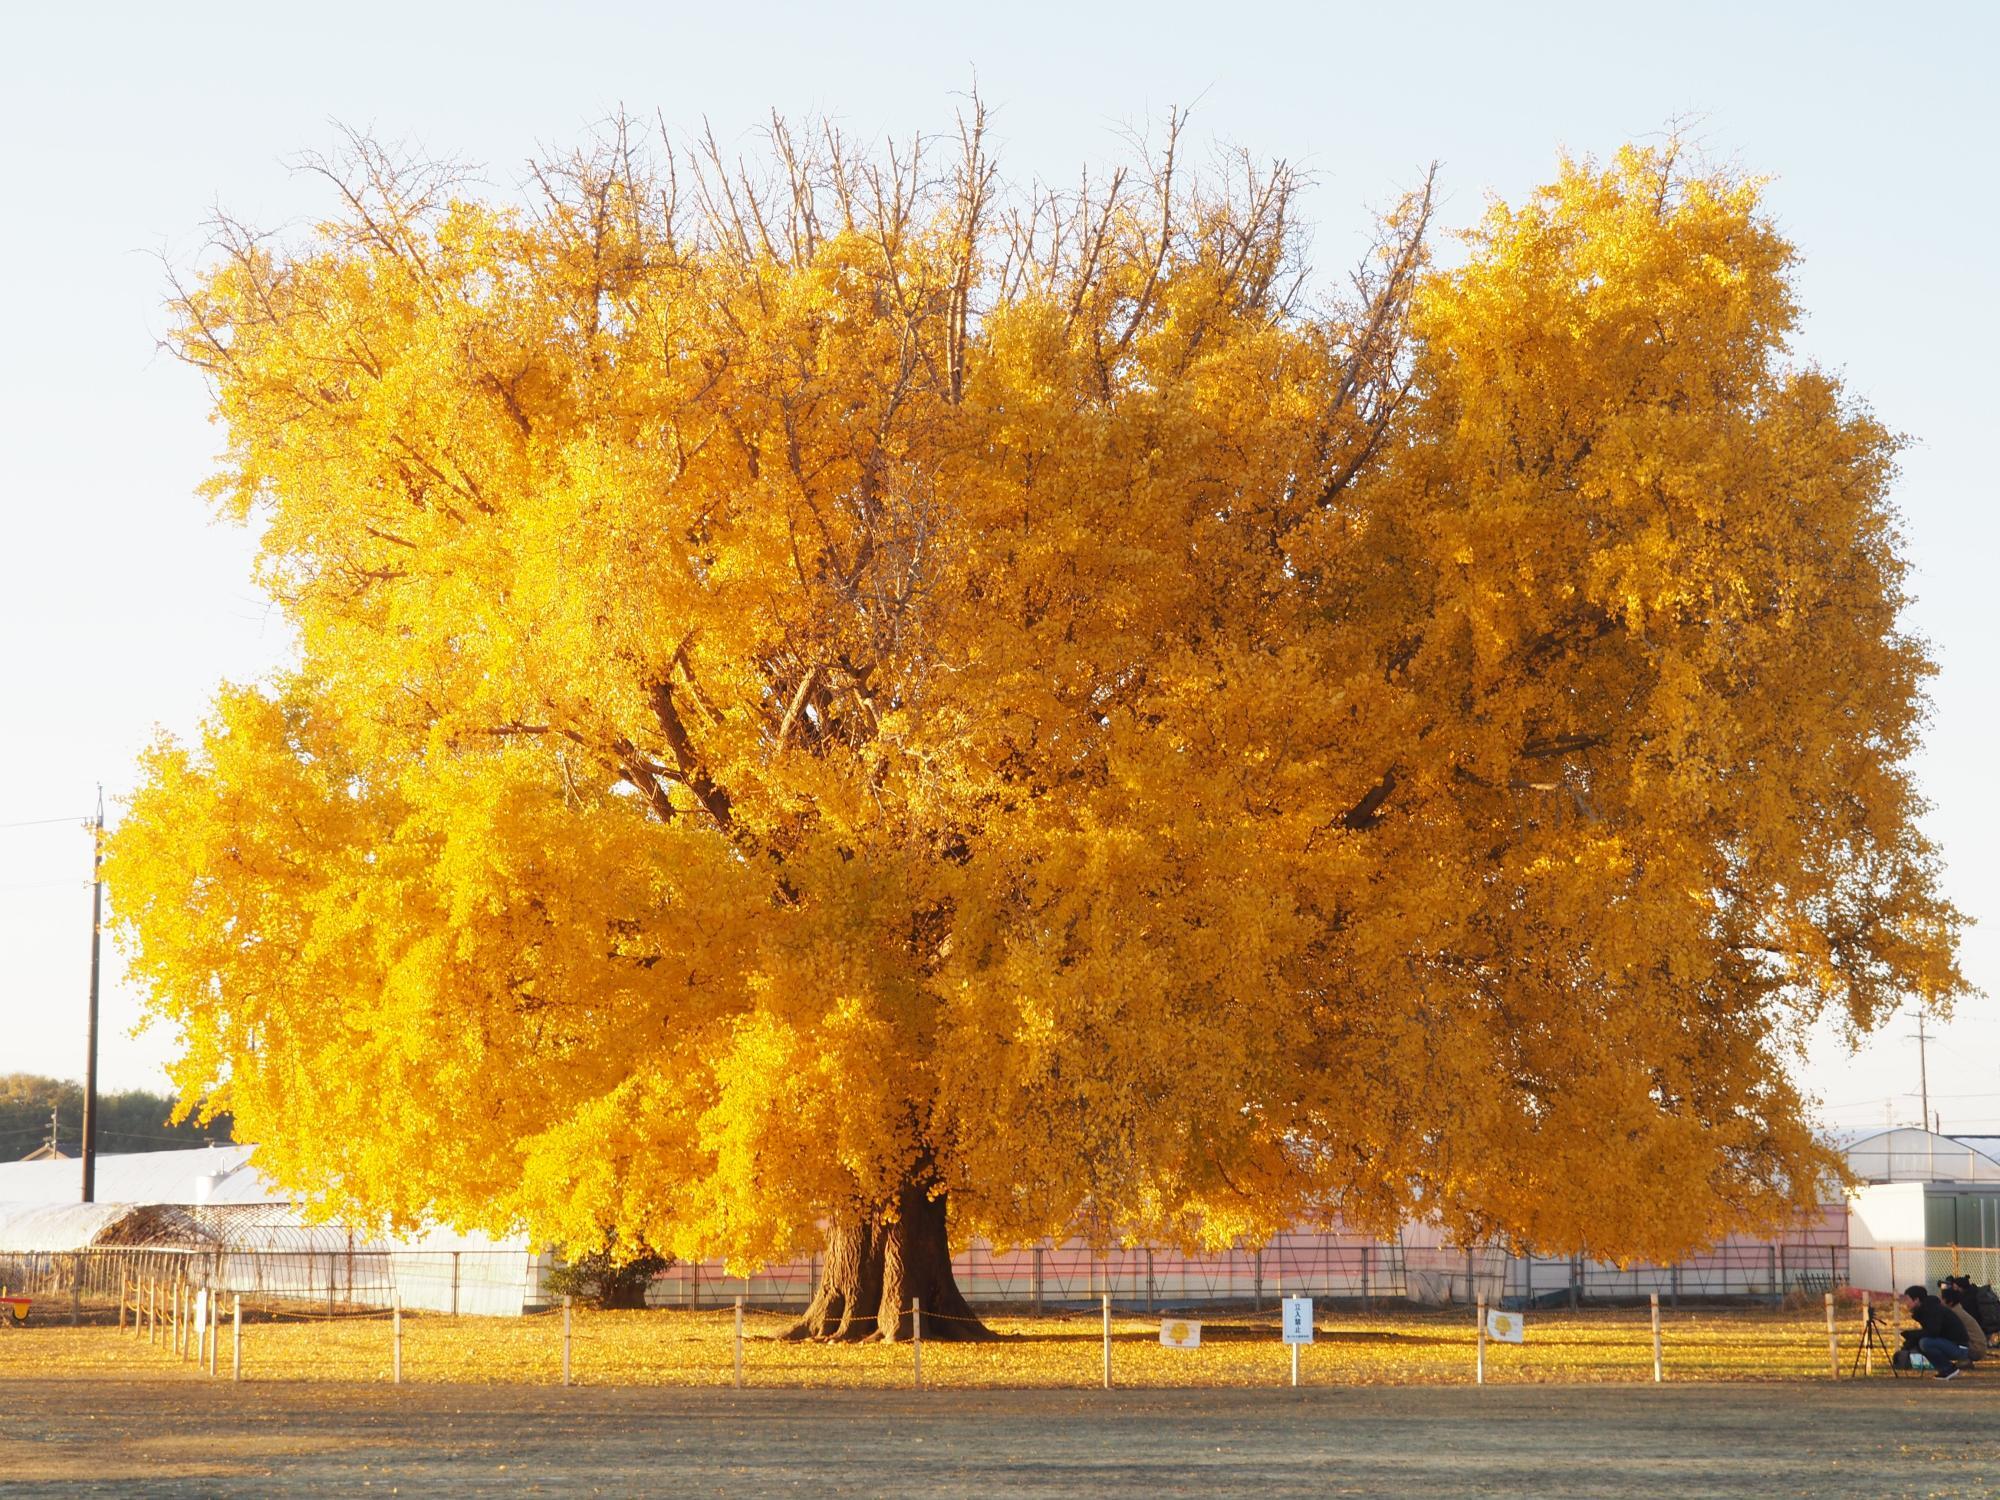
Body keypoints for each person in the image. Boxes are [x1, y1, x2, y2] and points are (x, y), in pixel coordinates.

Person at [1903, 1284, 1972, 1380]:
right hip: (1950, 1344)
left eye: (1907, 1299)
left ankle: (1948, 1369)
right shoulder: (1926, 1309)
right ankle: (1944, 1370)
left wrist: (1912, 1335)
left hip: (1960, 1347)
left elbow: (1933, 1332)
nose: (1905, 1303)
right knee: (1921, 1343)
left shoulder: (1932, 1310)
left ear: (1916, 1300)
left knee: (1925, 1343)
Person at [1941, 1285, 1987, 1361]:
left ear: (1950, 1302)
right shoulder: (1957, 1310)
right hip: (1977, 1347)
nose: (1939, 1302)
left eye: (1941, 1299)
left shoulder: (1954, 1314)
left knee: (1935, 1342)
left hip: (1975, 1349)